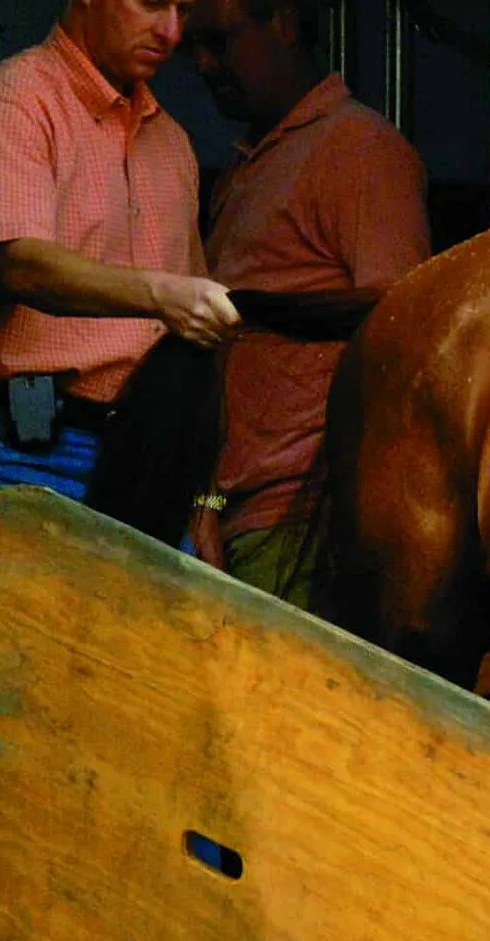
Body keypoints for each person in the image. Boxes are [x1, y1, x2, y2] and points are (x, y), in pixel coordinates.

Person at [0, 0, 239, 495]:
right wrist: (161, 294)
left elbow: (194, 336)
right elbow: (20, 264)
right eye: (153, 4)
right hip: (22, 449)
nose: (172, 31)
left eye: (185, 10)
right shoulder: (12, 103)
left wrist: (208, 499)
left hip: (152, 450)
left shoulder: (173, 142)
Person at [183, 0, 430, 603]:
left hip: (308, 521)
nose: (202, 64)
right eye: (195, 47)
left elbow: (403, 333)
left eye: (218, 40)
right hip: (234, 512)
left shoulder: (359, 147)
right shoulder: (244, 165)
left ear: (286, 23)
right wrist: (206, 505)